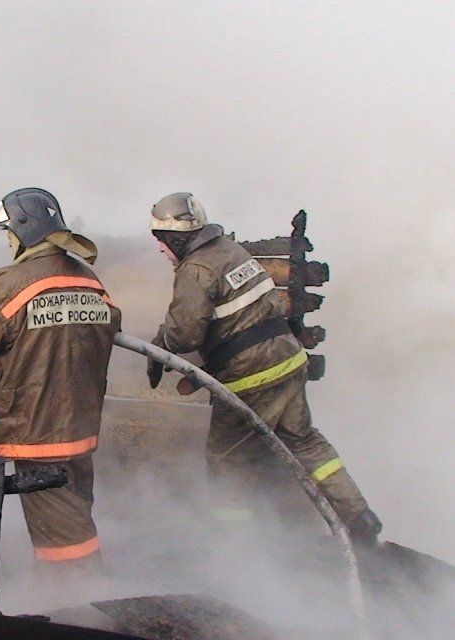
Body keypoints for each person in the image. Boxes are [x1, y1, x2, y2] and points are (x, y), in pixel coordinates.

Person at [146, 192, 382, 542]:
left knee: (229, 462)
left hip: (250, 375)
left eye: (162, 243)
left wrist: (158, 346)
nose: (162, 252)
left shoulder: (196, 269)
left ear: (176, 239)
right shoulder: (230, 251)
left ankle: (234, 546)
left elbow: (186, 335)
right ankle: (358, 516)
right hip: (288, 360)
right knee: (307, 443)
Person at [0, 188, 122, 562]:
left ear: (24, 229)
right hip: (79, 423)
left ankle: (79, 601)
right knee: (75, 511)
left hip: (36, 429)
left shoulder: (12, 284)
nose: (9, 241)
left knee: (62, 536)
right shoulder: (89, 280)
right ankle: (84, 588)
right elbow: (110, 326)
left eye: (9, 232)